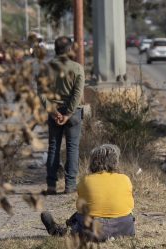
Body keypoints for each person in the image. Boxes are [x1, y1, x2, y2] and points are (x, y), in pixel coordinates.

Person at [40, 144, 135, 241]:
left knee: (79, 215)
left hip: (94, 231)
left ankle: (60, 231)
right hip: (125, 230)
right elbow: (130, 205)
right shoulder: (125, 179)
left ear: (93, 162)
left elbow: (80, 207)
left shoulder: (86, 180)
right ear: (115, 161)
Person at [38, 36, 85, 194]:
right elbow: (77, 94)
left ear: (55, 49)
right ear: (69, 49)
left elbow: (41, 93)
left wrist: (53, 112)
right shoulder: (77, 68)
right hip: (73, 114)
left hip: (53, 113)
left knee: (53, 147)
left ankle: (51, 185)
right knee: (72, 148)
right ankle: (70, 185)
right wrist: (68, 113)